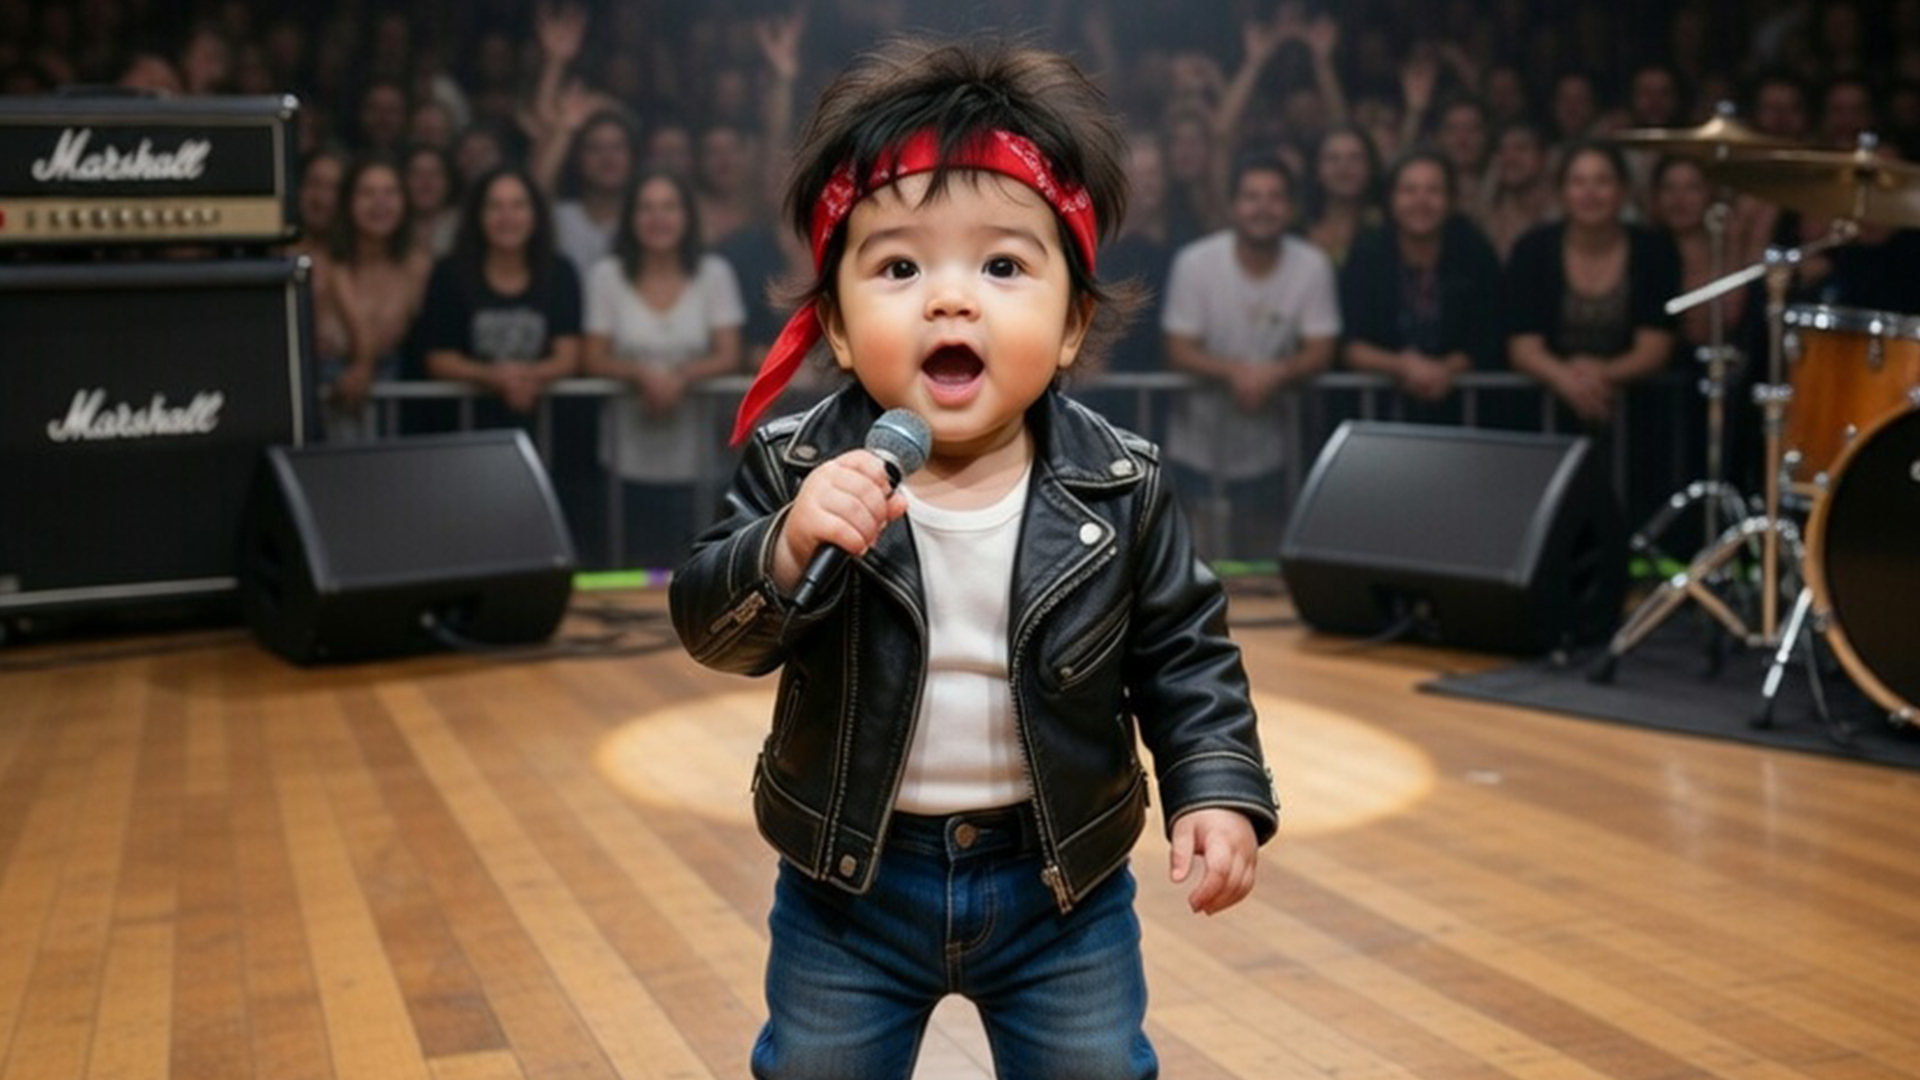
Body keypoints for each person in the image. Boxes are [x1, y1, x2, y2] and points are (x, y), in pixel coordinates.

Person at [671, 36, 1277, 1080]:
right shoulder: (799, 463)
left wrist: (1216, 789)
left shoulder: (1119, 482)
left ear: (1072, 322)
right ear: (837, 328)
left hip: (1061, 885)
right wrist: (785, 544)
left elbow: (1186, 656)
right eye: (899, 267)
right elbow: (711, 630)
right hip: (848, 886)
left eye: (1002, 266)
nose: (950, 300)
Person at [1162, 156, 1340, 560]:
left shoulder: (1311, 264)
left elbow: (1322, 350)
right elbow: (1178, 348)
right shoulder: (1196, 262)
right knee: (1198, 567)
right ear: (1232, 206)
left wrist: (1275, 373)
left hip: (1271, 451)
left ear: (1291, 208)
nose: (1263, 207)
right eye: (1251, 197)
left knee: (1265, 567)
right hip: (1196, 447)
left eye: (1275, 197)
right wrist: (1235, 372)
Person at [1506, 141, 1681, 525]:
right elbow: (1522, 345)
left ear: (1623, 190)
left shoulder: (1653, 250)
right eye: (1578, 181)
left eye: (1602, 181)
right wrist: (1565, 379)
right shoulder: (1533, 249)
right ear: (1562, 191)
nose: (1590, 193)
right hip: (1547, 416)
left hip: (1635, 418)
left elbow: (1656, 346)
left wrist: (1599, 375)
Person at [582, 171, 744, 569]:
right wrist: (642, 375)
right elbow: (592, 356)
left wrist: (682, 377)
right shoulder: (606, 275)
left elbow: (730, 353)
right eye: (646, 208)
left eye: (669, 207)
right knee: (624, 570)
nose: (658, 218)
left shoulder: (714, 273)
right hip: (623, 457)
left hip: (694, 458)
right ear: (631, 217)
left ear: (686, 215)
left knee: (692, 571)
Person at [1341, 149, 1504, 425]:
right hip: (1380, 416)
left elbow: (1490, 333)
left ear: (1451, 200)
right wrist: (1401, 365)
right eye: (1409, 190)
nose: (1421, 201)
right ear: (1391, 199)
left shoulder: (1475, 252)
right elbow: (1350, 344)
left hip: (1462, 414)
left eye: (1433, 190)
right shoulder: (1367, 254)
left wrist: (1446, 369)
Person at [418, 166, 582, 426]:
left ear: (536, 214)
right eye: (495, 206)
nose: (507, 217)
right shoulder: (449, 273)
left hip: (543, 426)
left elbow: (568, 356)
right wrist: (492, 376)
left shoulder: (560, 272)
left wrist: (526, 376)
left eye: (518, 206)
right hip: (466, 426)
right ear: (478, 216)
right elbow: (439, 358)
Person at [317, 153, 433, 441]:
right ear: (347, 202)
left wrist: (364, 364)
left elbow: (392, 336)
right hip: (323, 406)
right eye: (367, 193)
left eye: (390, 192)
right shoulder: (320, 262)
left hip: (391, 414)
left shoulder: (417, 265)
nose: (379, 203)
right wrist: (362, 364)